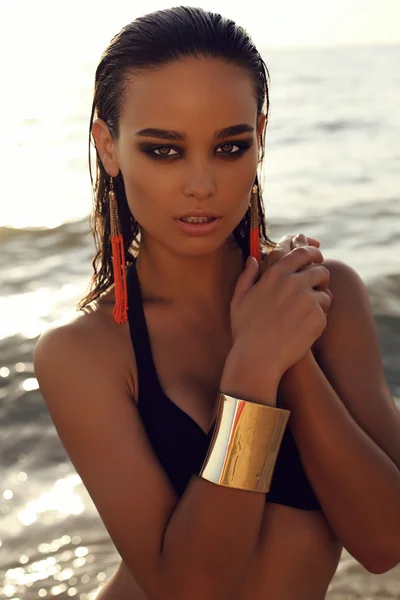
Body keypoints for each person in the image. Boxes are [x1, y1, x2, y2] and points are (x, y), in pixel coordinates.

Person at [33, 6, 400, 599]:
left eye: (229, 147)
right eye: (164, 151)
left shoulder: (325, 299)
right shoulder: (84, 354)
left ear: (259, 138)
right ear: (108, 146)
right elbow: (189, 589)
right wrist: (255, 366)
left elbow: (386, 541)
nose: (201, 184)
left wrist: (292, 353)